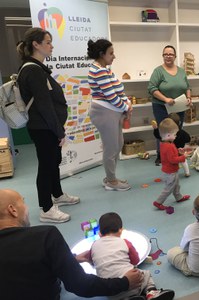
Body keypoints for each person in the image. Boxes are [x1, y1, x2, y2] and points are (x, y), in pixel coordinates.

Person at [0, 189, 143, 300]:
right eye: (23, 202)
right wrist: (124, 282)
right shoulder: (44, 236)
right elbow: (81, 285)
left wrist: (69, 259)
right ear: (13, 210)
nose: (27, 208)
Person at [16, 27, 79, 223]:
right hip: (43, 128)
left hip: (47, 127)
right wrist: (59, 131)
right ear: (36, 44)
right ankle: (46, 208)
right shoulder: (33, 70)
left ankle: (57, 194)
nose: (52, 46)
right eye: (48, 42)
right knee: (46, 166)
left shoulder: (37, 68)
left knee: (53, 163)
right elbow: (44, 105)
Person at [75, 212, 175, 300]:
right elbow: (135, 260)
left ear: (100, 233)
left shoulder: (94, 246)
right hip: (133, 283)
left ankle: (127, 298)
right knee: (146, 274)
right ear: (121, 230)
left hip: (108, 291)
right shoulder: (124, 242)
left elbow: (93, 262)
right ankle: (151, 292)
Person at [87, 39, 133, 191]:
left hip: (112, 111)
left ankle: (111, 177)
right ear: (102, 54)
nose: (114, 56)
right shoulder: (98, 70)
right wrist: (125, 106)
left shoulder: (105, 68)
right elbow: (110, 96)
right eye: (111, 53)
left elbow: (118, 90)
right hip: (104, 112)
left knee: (117, 145)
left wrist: (127, 102)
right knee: (111, 147)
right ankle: (111, 181)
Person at [148, 45, 191, 166]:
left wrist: (188, 98)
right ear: (162, 56)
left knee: (177, 131)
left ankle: (175, 153)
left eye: (170, 54)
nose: (168, 56)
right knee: (163, 131)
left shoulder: (181, 71)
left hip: (179, 107)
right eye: (165, 54)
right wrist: (165, 99)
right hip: (161, 106)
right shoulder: (158, 71)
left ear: (175, 56)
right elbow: (151, 88)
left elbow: (187, 87)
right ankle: (161, 155)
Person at [153, 118, 190, 210]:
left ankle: (179, 197)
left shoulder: (166, 143)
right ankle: (158, 202)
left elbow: (170, 155)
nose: (176, 136)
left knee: (176, 185)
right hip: (170, 172)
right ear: (169, 135)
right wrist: (183, 157)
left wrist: (178, 151)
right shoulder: (168, 146)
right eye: (174, 134)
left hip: (171, 171)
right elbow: (172, 160)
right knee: (169, 188)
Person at [152, 113, 191, 177]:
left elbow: (158, 135)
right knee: (183, 162)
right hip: (176, 152)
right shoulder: (181, 132)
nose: (174, 136)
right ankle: (187, 172)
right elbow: (188, 139)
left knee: (177, 162)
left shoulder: (165, 135)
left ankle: (185, 172)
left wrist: (156, 129)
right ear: (179, 123)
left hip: (177, 152)